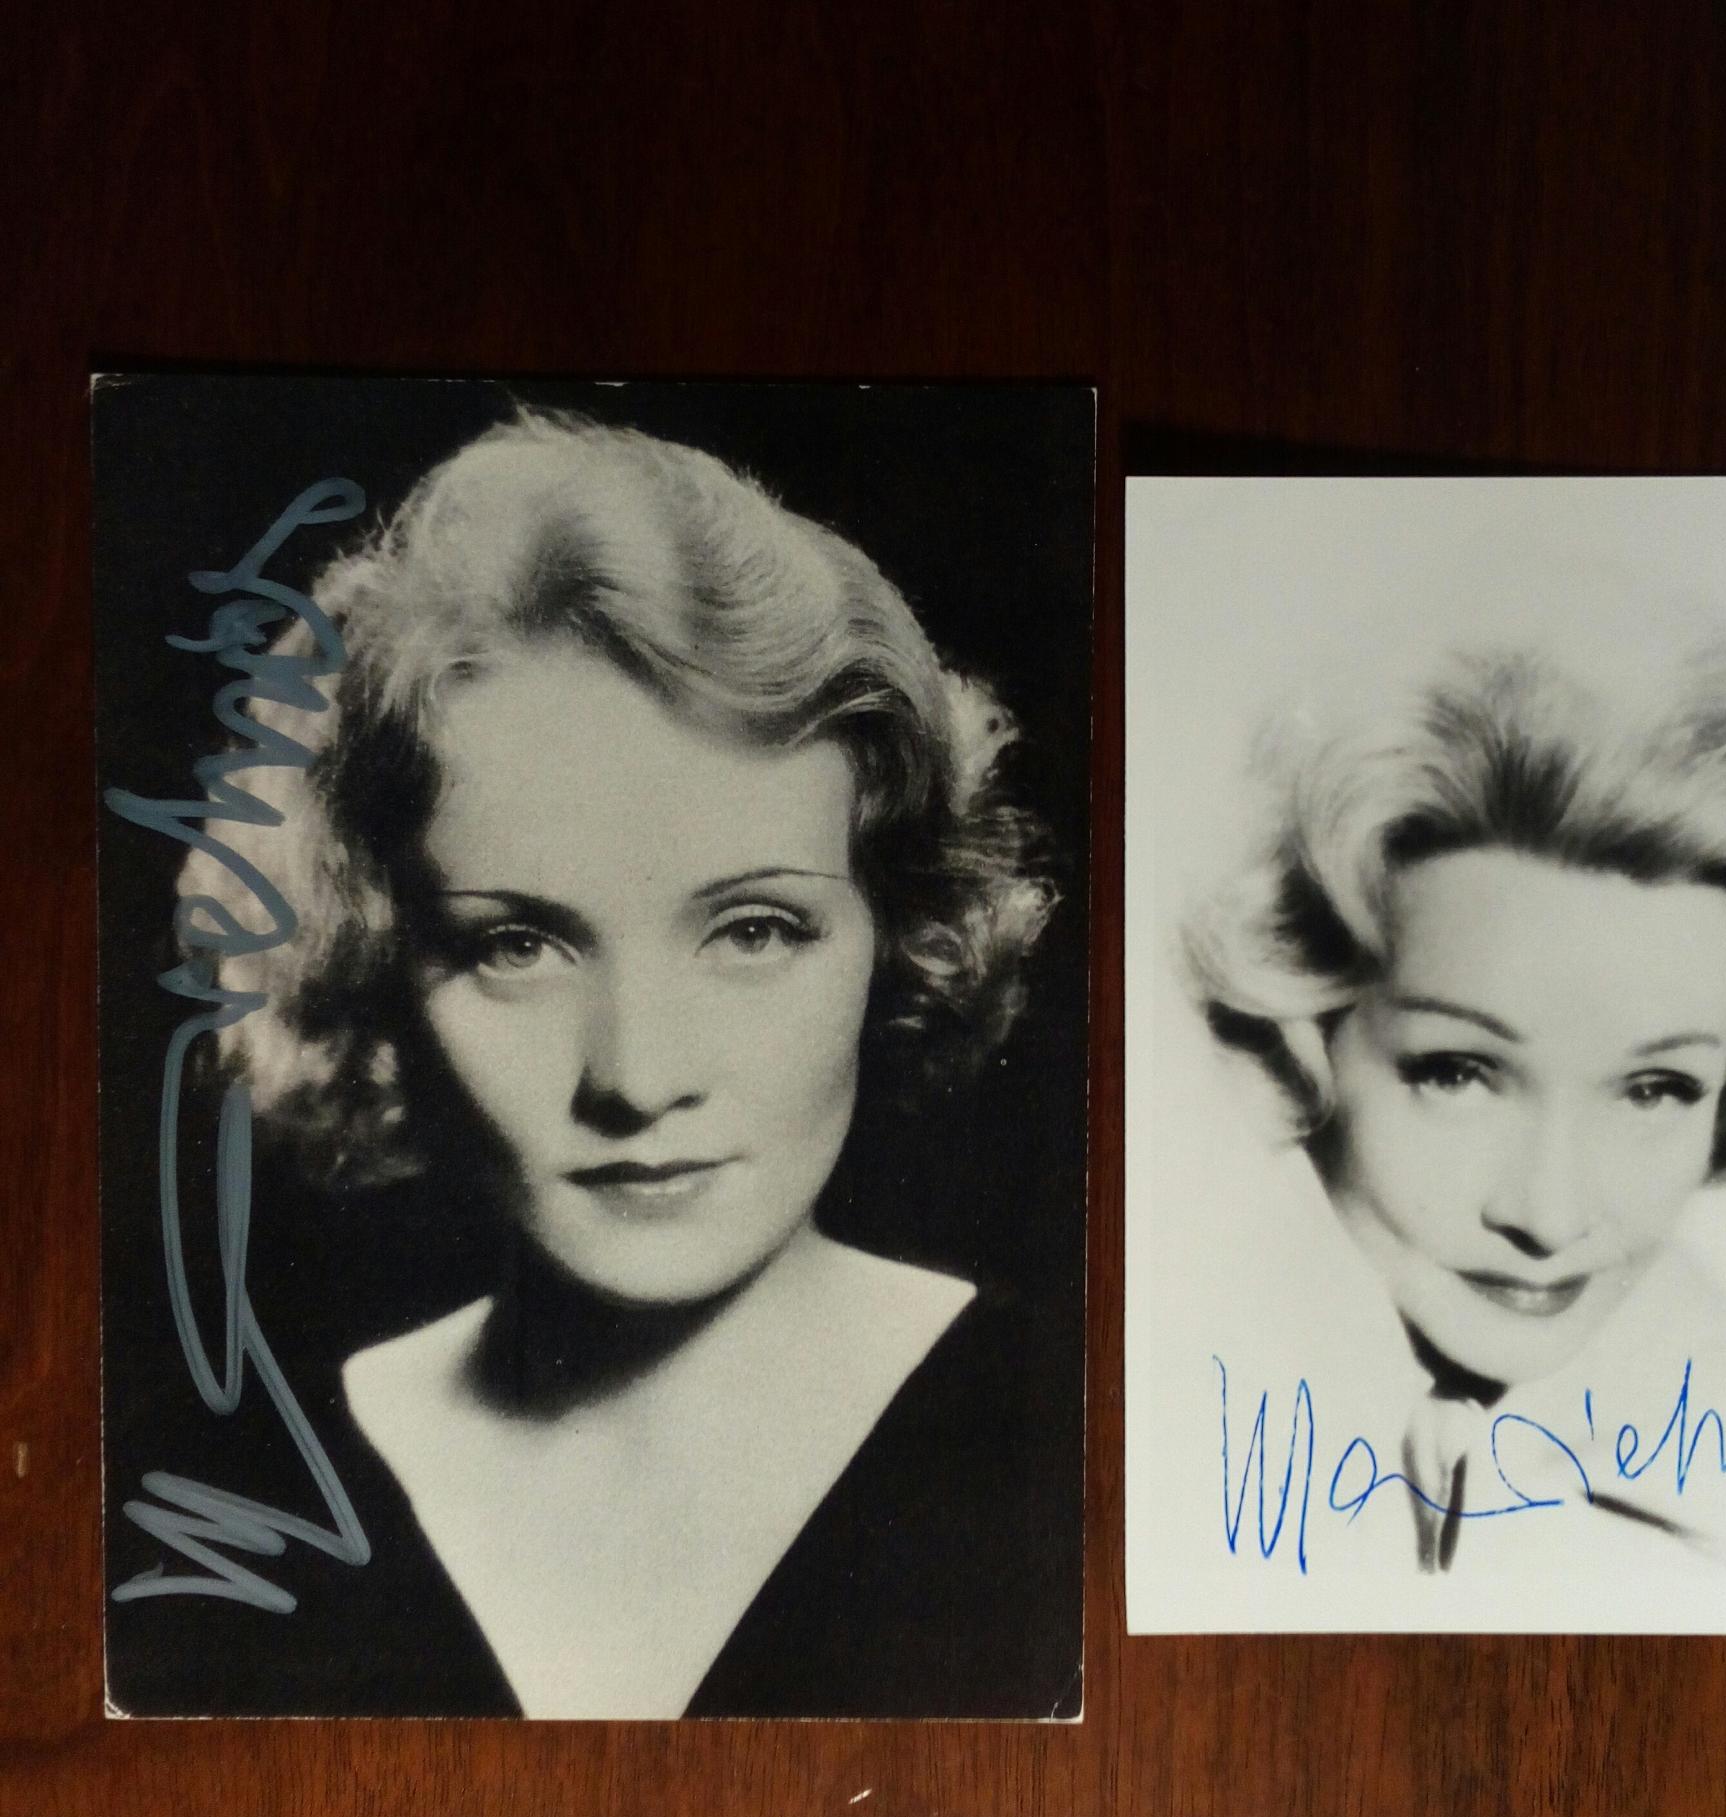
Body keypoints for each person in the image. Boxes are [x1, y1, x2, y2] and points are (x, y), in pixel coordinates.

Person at [134, 408, 1079, 1717]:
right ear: (378, 964)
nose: (637, 1076)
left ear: (900, 929)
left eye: (752, 930)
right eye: (516, 945)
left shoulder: (1064, 1441)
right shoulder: (249, 1490)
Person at [1182, 641, 1726, 1574]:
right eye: (1458, 1073)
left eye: (1655, 1089)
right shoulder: (1165, 1417)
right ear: (1304, 1033)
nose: (1549, 1216)